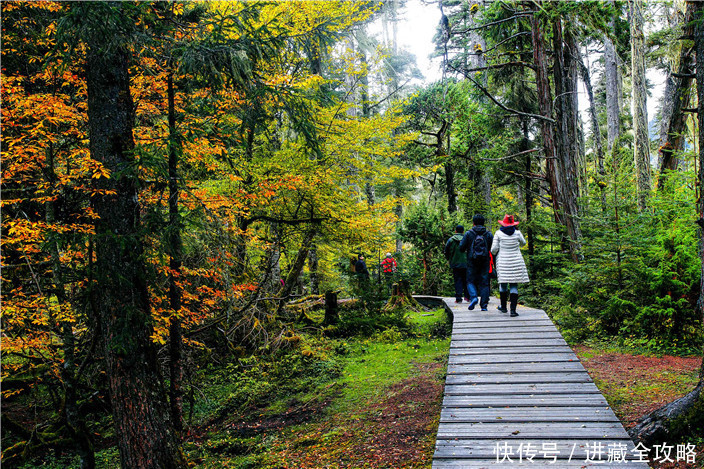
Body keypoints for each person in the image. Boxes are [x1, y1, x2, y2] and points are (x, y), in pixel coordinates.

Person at [491, 214, 529, 317]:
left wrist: (498, 250)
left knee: (503, 284)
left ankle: (503, 307)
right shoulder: (517, 233)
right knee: (514, 285)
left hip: (503, 261)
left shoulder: (498, 233)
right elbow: (523, 243)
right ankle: (513, 311)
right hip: (516, 261)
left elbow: (493, 250)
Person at [459, 214, 493, 311]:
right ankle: (484, 306)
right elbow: (493, 248)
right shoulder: (488, 234)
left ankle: (474, 297)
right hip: (485, 261)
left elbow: (461, 247)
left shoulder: (469, 234)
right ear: (483, 223)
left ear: (473, 223)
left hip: (472, 261)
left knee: (470, 281)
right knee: (485, 283)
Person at [444, 225, 470, 303]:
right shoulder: (467, 239)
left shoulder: (451, 240)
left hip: (455, 263)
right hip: (466, 263)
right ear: (463, 231)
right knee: (466, 280)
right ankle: (467, 297)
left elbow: (446, 251)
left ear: (455, 231)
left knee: (457, 280)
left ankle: (458, 298)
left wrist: (449, 259)